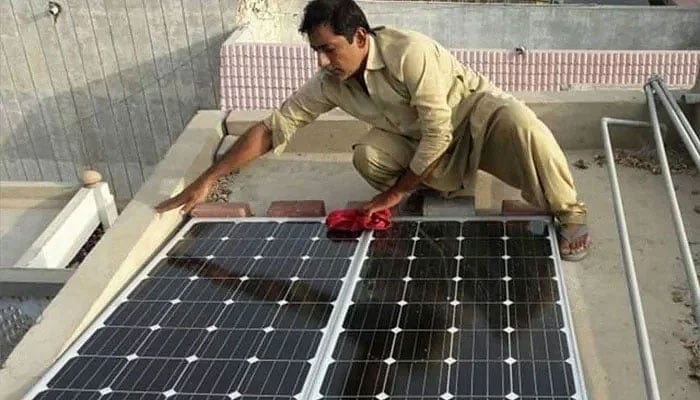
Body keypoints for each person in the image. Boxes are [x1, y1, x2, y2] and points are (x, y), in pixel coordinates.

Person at [156, 0, 591, 261]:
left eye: (329, 49)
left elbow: (440, 133)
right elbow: (274, 127)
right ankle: (433, 187)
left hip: (473, 119)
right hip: (421, 140)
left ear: (360, 36)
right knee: (368, 154)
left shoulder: (410, 53)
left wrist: (391, 195)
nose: (323, 62)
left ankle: (570, 211)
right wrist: (206, 180)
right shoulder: (331, 81)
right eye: (317, 52)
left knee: (523, 125)